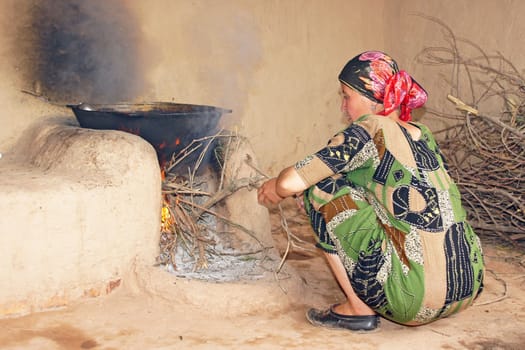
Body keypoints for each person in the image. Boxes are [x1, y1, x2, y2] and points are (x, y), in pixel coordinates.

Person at [257, 51, 484, 332]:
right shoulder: (421, 133)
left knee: (320, 187)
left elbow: (290, 183)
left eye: (346, 96)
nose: (343, 107)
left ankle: (357, 309)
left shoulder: (367, 130)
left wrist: (276, 188)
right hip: (466, 287)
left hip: (412, 301)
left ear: (369, 97)